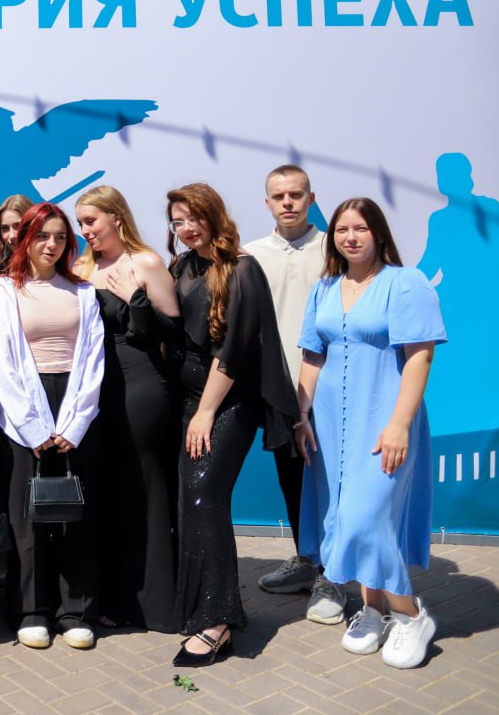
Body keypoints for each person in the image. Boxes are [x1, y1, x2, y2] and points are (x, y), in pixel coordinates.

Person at [295, 198, 445, 669]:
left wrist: (400, 423)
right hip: (328, 425)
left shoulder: (406, 283)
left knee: (367, 518)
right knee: (343, 515)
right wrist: (301, 415)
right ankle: (374, 609)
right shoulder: (324, 288)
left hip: (383, 419)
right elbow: (312, 355)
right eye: (342, 229)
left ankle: (411, 615)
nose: (351, 237)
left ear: (379, 233)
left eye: (360, 228)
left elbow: (420, 355)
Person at [167, 183, 297, 668]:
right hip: (187, 402)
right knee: (189, 501)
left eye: (193, 218)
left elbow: (235, 351)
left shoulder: (243, 268)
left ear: (214, 216)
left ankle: (218, 622)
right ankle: (196, 608)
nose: (186, 228)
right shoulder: (182, 266)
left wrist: (205, 412)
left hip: (226, 404)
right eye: (177, 221)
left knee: (205, 496)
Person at [0, 203, 105, 650]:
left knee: (75, 514)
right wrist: (32, 427)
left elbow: (93, 359)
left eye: (59, 237)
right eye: (42, 236)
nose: (51, 245)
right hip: (24, 414)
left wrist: (75, 423)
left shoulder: (83, 292)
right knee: (28, 517)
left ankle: (75, 612)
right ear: (24, 239)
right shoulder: (4, 290)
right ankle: (31, 611)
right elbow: (0, 361)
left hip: (74, 410)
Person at [72, 186, 180, 633]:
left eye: (91, 221)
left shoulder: (146, 263)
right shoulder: (81, 268)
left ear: (116, 217)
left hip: (141, 386)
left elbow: (173, 334)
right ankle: (114, 599)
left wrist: (136, 298)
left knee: (144, 488)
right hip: (94, 392)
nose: (85, 230)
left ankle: (154, 605)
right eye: (81, 223)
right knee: (108, 491)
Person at [244, 165, 344, 624]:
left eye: (296, 195)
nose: (288, 202)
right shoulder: (250, 254)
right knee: (292, 478)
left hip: (330, 386)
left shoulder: (334, 250)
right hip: (277, 389)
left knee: (330, 482)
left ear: (311, 199)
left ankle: (333, 575)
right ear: (267, 202)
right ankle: (308, 561)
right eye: (279, 196)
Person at [0, 194, 34, 276]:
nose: (12, 236)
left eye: (18, 226)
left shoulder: (55, 268)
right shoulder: (0, 274)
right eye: (5, 228)